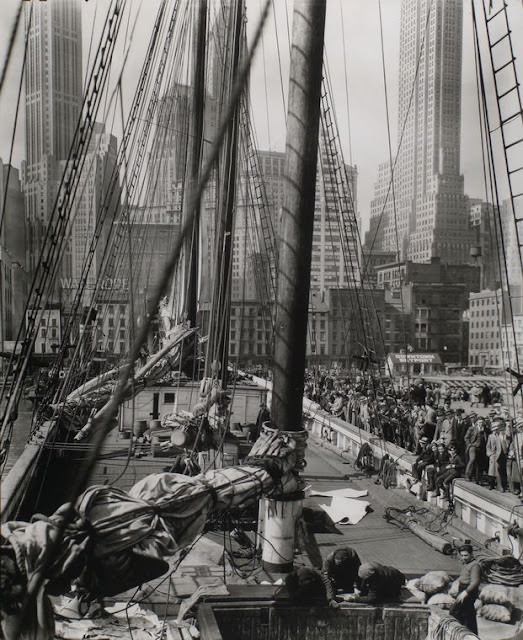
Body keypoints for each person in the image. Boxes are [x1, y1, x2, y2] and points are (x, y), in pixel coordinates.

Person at [450, 544, 481, 634]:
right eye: (462, 555)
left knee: (457, 612)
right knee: (465, 614)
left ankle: (469, 635)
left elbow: (475, 581)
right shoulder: (465, 564)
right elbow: (463, 576)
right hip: (462, 589)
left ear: (471, 554)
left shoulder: (475, 566)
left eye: (466, 555)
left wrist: (466, 592)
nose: (464, 558)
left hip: (469, 591)